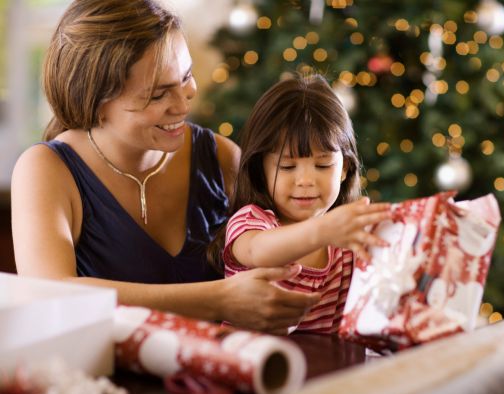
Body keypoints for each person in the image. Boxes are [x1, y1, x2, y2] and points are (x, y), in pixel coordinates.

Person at [10, 0, 319, 335]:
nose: (184, 101)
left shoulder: (222, 158)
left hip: (221, 374)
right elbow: (52, 296)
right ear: (96, 104)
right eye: (158, 96)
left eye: (185, 76)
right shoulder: (45, 170)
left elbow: (293, 246)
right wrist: (219, 299)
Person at [208, 75, 391, 334]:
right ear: (261, 169)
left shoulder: (346, 243)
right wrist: (323, 230)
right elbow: (257, 251)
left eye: (323, 165)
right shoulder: (251, 221)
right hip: (251, 363)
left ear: (344, 169)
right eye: (288, 166)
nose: (305, 180)